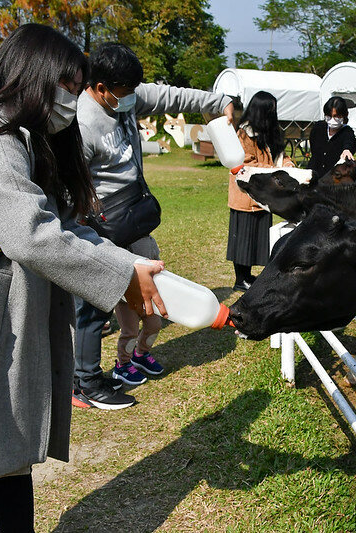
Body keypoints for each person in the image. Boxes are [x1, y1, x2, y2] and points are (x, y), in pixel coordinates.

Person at [0, 24, 167, 532]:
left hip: (2, 320)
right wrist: (121, 271)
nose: (72, 98)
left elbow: (56, 226)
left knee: (9, 458)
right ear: (33, 76)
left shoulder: (18, 133)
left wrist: (119, 261)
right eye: (67, 84)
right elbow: (32, 235)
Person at [73, 43, 234, 407]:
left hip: (134, 214)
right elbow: (71, 191)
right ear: (101, 88)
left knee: (148, 281)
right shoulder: (81, 125)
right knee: (94, 304)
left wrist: (217, 101)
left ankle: (135, 352)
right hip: (101, 223)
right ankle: (82, 382)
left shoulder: (127, 93)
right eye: (126, 93)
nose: (133, 100)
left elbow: (172, 97)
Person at [228, 91, 294, 291]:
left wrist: (289, 165)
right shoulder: (243, 134)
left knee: (258, 237)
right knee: (243, 239)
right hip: (246, 195)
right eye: (270, 110)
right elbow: (248, 164)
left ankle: (247, 276)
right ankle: (241, 279)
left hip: (264, 196)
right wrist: (278, 170)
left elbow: (280, 156)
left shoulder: (268, 133)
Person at [306, 96, 356, 178]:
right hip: (313, 172)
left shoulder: (347, 132)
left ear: (344, 115)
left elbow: (348, 143)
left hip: (332, 177)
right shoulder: (318, 127)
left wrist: (347, 150)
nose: (332, 120)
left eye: (336, 116)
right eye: (329, 116)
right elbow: (313, 148)